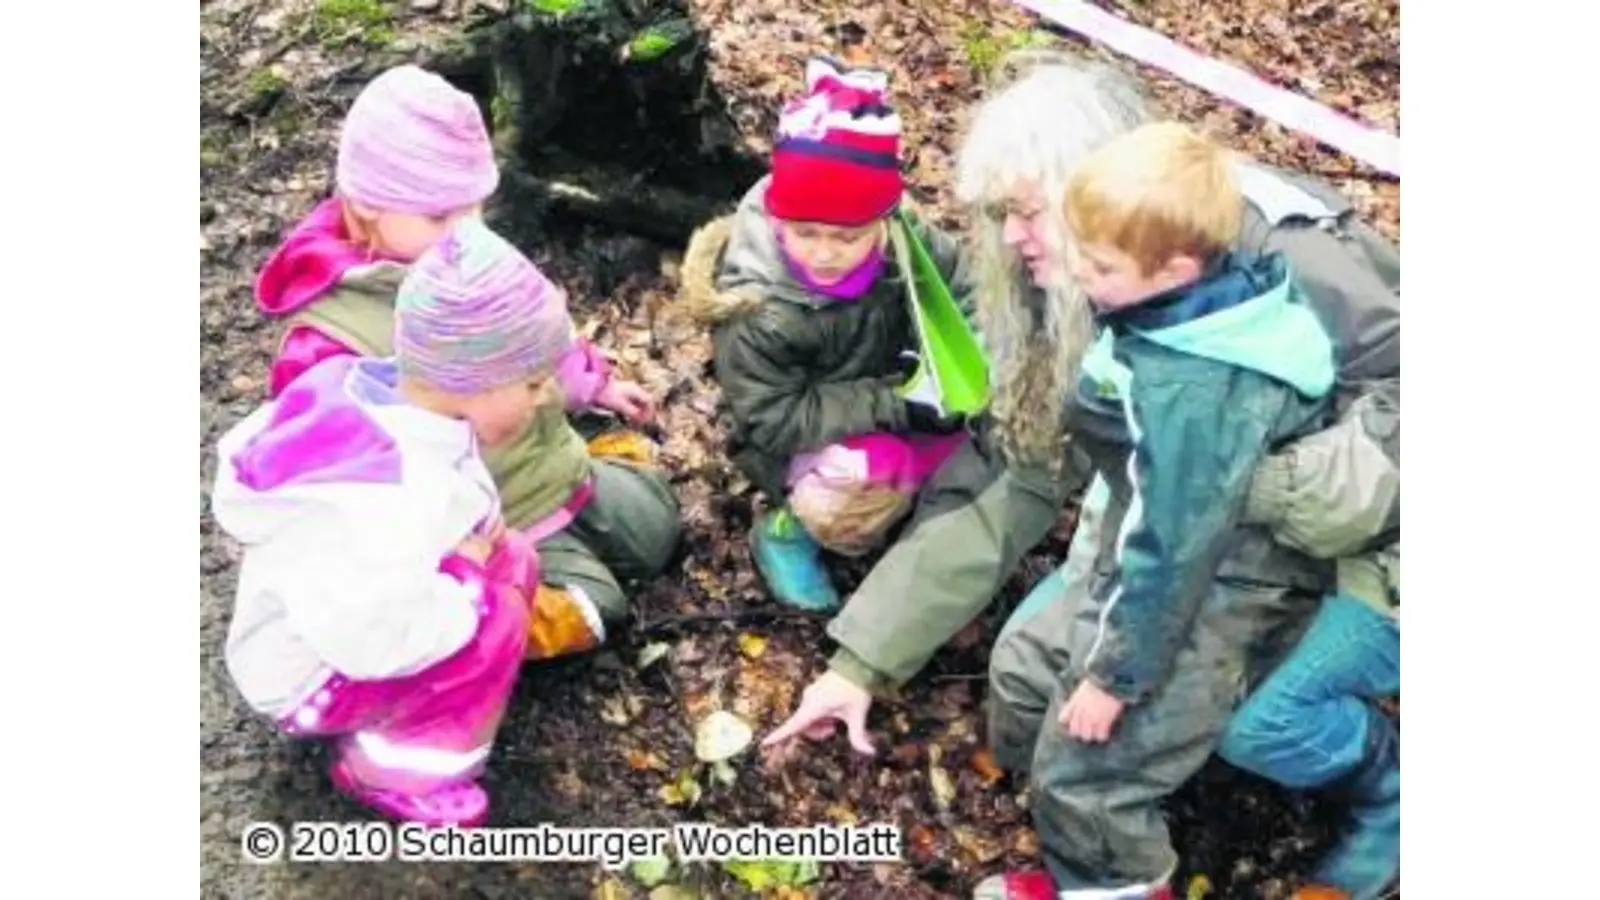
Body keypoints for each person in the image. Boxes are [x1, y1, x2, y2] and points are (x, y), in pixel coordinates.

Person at [762, 51, 1398, 770]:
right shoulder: (1087, 273)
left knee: (1241, 729)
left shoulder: (1280, 249)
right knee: (1029, 686)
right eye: (1001, 215)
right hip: (1176, 534)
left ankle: (1383, 784)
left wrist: (1233, 484)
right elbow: (1024, 470)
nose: (1008, 238)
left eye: (1025, 212)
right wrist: (860, 664)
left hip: (1360, 547)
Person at [251, 63, 683, 649]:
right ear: (368, 203)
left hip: (551, 450)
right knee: (593, 609)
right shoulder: (330, 337)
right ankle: (463, 627)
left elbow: (533, 325)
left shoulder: (468, 250)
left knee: (657, 527)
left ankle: (591, 472)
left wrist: (591, 382)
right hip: (489, 514)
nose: (465, 228)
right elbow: (332, 475)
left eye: (474, 207)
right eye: (439, 215)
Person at [208, 219, 589, 826]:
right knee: (492, 616)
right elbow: (371, 637)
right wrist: (463, 586)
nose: (547, 398)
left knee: (511, 557)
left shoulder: (392, 403)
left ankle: (443, 693)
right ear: (473, 382)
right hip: (319, 671)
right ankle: (393, 767)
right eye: (535, 382)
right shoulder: (392, 496)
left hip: (357, 608)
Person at [680, 56, 971, 612]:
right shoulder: (758, 307)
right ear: (779, 216)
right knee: (861, 480)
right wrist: (898, 402)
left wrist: (966, 363)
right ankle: (790, 529)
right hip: (806, 438)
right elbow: (774, 419)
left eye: (846, 236)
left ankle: (919, 510)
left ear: (882, 221)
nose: (823, 252)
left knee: (977, 440)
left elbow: (964, 285)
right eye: (805, 232)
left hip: (903, 389)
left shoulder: (904, 238)